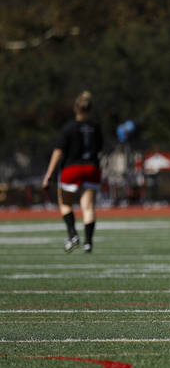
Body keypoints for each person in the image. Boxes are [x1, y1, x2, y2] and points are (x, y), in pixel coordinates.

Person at [41, 91, 103, 253]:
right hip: (91, 169)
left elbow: (58, 151)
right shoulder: (95, 128)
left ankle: (73, 233)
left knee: (65, 204)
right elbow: (100, 149)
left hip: (72, 169)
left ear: (76, 108)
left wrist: (49, 175)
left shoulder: (68, 128)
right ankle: (88, 243)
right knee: (88, 207)